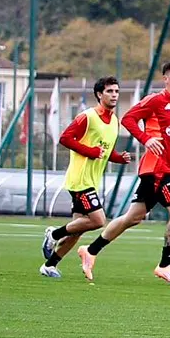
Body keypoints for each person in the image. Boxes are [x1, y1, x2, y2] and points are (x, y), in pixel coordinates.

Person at [83, 59, 170, 286]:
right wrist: (146, 138)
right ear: (166, 78)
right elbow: (128, 119)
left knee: (133, 217)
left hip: (165, 168)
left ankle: (91, 250)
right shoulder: (155, 100)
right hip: (156, 168)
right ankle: (165, 264)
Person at [40, 76, 134, 279]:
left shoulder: (115, 121)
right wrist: (89, 151)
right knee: (98, 220)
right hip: (80, 180)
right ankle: (53, 234)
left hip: (92, 181)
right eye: (110, 91)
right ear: (99, 94)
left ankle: (50, 265)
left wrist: (119, 158)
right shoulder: (88, 117)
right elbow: (65, 138)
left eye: (117, 91)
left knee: (77, 230)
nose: (114, 95)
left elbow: (105, 152)